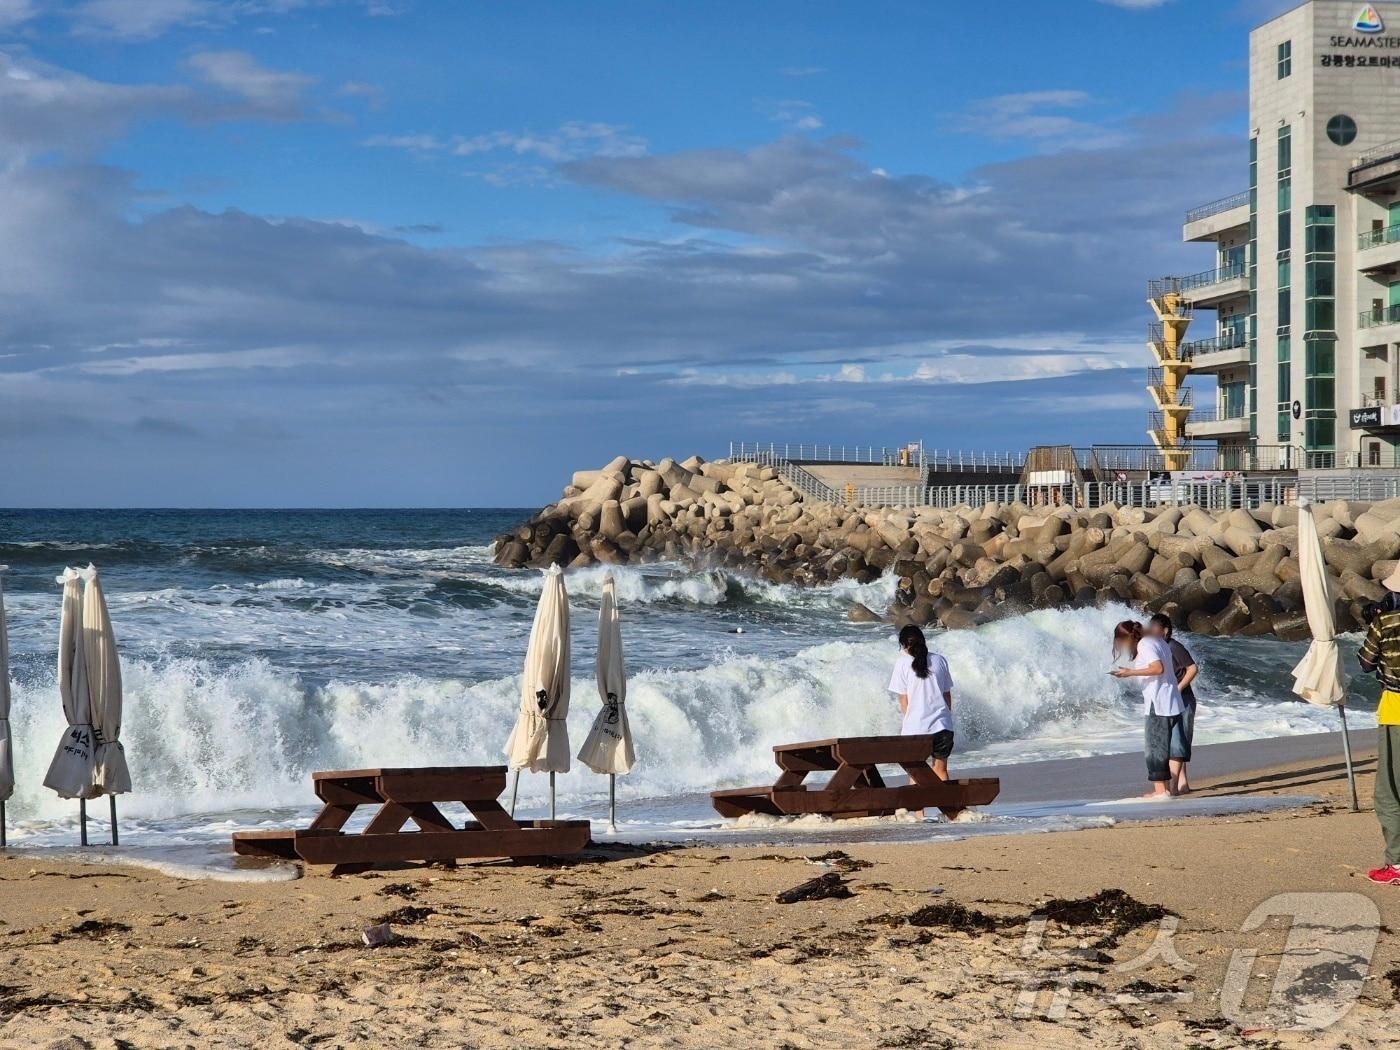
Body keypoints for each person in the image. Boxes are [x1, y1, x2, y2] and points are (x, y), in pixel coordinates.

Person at [1358, 564, 1400, 886]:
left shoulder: (1386, 621)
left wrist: (1375, 620)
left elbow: (1365, 662)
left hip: (1395, 710)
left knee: (1390, 791)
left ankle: (1396, 863)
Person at [1110, 619, 1185, 798]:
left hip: (1158, 703)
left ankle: (1161, 791)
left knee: (1155, 747)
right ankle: (1167, 789)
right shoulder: (1158, 641)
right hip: (1173, 700)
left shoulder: (1145, 644)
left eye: (1121, 642)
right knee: (1169, 747)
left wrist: (1129, 673)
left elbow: (1157, 668)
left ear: (1128, 638)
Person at [888, 625, 955, 806]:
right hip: (943, 727)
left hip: (915, 728)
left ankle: (919, 815)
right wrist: (946, 716)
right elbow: (947, 695)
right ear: (923, 641)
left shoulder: (902, 663)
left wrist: (909, 721)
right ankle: (948, 810)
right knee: (941, 771)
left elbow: (904, 700)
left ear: (904, 645)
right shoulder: (940, 660)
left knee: (916, 774)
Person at [1148, 613, 1199, 793]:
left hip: (1183, 699)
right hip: (1169, 700)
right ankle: (1183, 784)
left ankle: (1174, 787)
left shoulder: (1173, 646)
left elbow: (1193, 668)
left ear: (1165, 630)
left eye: (1154, 629)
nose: (1151, 632)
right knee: (1175, 742)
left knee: (1178, 743)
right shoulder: (1158, 648)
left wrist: (1178, 688)